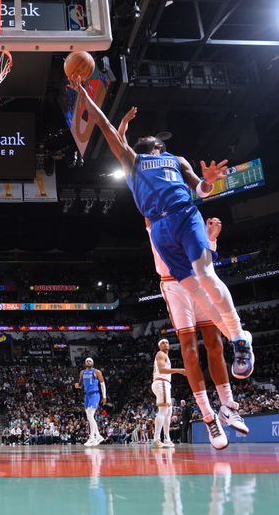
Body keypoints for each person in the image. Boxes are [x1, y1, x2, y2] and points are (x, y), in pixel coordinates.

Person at [70, 87, 254, 379]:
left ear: (158, 145)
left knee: (205, 276)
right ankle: (238, 337)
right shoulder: (133, 161)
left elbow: (200, 190)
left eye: (148, 137)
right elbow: (105, 127)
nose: (144, 137)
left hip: (185, 214)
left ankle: (240, 339)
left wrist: (208, 183)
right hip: (159, 227)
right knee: (192, 287)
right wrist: (83, 94)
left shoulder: (177, 159)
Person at [145, 213, 248, 449]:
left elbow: (205, 258)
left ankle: (228, 406)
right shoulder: (154, 213)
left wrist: (211, 239)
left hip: (200, 279)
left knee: (216, 344)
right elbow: (144, 205)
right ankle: (209, 417)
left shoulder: (189, 216)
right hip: (174, 285)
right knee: (190, 351)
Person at [151, 339, 187, 448]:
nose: (166, 344)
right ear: (159, 346)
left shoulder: (166, 356)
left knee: (169, 411)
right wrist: (179, 370)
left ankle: (167, 438)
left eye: (167, 342)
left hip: (164, 383)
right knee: (163, 410)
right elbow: (162, 370)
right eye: (163, 343)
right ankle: (157, 438)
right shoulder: (160, 354)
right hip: (161, 381)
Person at [74, 357, 107, 446]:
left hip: (95, 394)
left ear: (92, 363)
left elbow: (102, 384)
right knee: (89, 417)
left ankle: (92, 437)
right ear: (85, 363)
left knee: (90, 415)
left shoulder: (97, 372)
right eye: (87, 361)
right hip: (87, 395)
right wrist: (77, 386)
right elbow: (80, 385)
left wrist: (104, 397)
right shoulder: (82, 372)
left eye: (90, 361)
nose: (88, 362)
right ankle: (99, 436)